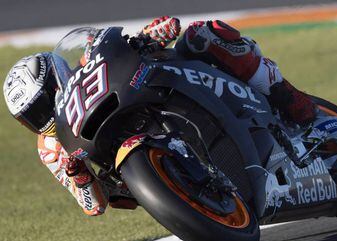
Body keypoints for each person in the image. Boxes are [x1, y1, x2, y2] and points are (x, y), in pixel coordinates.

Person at [3, 16, 316, 217]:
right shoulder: (50, 148)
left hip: (162, 88)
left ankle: (286, 96)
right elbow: (92, 206)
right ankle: (193, 190)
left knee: (202, 35)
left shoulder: (88, 59)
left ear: (57, 77)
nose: (41, 120)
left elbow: (122, 48)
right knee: (116, 195)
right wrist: (81, 176)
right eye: (30, 117)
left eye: (41, 106)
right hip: (143, 166)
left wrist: (150, 34)